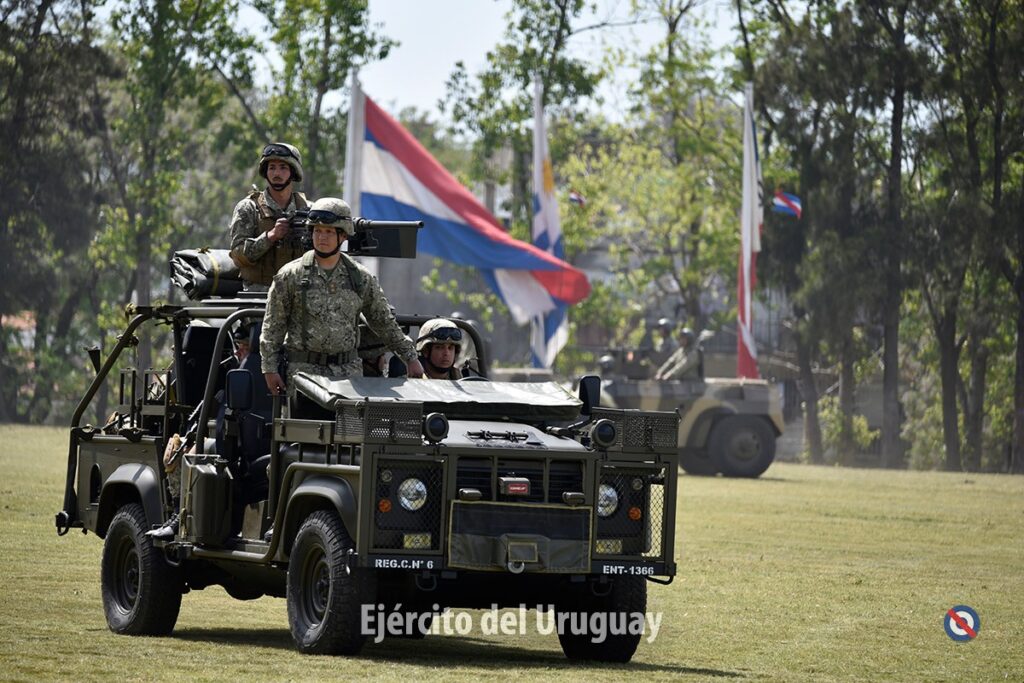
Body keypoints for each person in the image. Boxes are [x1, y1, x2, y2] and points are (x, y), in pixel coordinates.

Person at [260, 197, 424, 395]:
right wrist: (269, 369)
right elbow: (273, 327)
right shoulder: (290, 275)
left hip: (348, 376)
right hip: (303, 376)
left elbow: (383, 321)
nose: (322, 237)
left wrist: (410, 357)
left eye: (329, 232)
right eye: (317, 230)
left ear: (343, 235)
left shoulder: (360, 277)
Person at [228, 142, 310, 288]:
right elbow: (238, 256)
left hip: (297, 292)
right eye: (272, 168)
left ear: (293, 172)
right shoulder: (249, 208)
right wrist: (270, 237)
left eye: (283, 167)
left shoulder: (308, 210)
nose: (276, 173)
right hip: (257, 294)